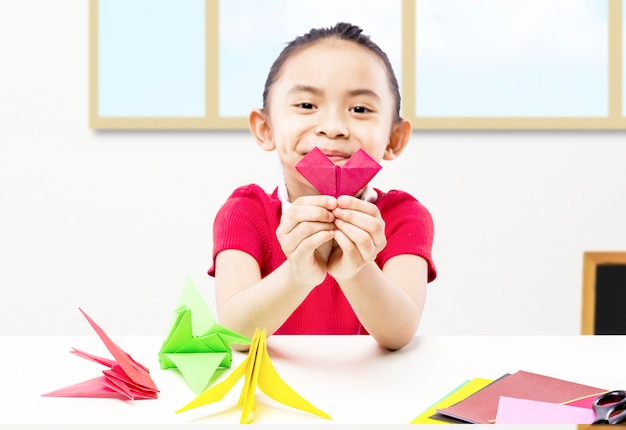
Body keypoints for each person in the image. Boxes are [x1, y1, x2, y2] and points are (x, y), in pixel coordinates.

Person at [208, 22, 436, 351]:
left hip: (372, 392)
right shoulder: (245, 211)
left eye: (359, 109)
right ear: (265, 129)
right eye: (306, 105)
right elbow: (236, 334)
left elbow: (399, 334)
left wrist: (356, 270)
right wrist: (298, 275)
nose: (332, 128)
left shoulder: (403, 216)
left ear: (394, 138)